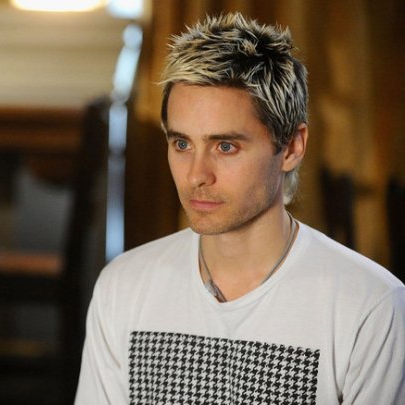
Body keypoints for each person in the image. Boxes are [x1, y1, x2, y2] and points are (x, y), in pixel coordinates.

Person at [74, 12, 405, 405]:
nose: (196, 175)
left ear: (292, 147)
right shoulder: (123, 287)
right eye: (182, 144)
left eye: (225, 146)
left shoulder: (369, 304)